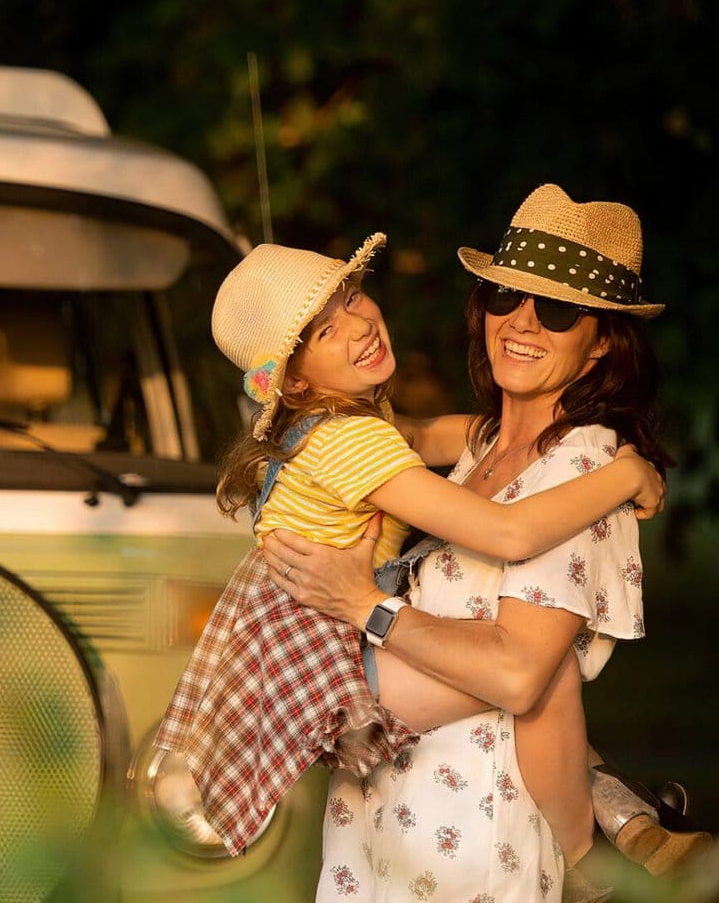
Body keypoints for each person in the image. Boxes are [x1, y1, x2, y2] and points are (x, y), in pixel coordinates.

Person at [153, 219, 663, 864]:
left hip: (310, 649)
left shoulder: (333, 425)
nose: (360, 325)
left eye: (352, 299)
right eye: (325, 331)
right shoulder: (351, 440)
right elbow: (508, 532)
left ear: (600, 347)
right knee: (550, 677)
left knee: (532, 678)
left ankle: (620, 817)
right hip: (331, 655)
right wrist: (628, 472)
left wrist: (507, 437)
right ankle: (590, 851)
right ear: (298, 380)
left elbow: (426, 435)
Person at [262, 185, 710, 900]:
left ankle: (596, 843)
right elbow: (416, 435)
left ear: (600, 347)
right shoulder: (479, 449)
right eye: (506, 298)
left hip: (472, 844)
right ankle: (621, 812)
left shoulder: (582, 472)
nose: (523, 321)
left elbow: (519, 678)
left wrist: (363, 606)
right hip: (374, 834)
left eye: (558, 309)